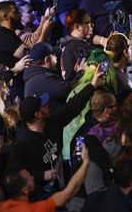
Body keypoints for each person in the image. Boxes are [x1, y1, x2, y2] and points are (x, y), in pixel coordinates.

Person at [7, 68, 102, 200]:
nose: (48, 106)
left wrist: (92, 85)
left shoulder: (52, 122)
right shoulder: (22, 143)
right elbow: (13, 176)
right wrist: (41, 175)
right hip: (38, 199)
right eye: (43, 105)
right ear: (38, 114)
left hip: (59, 185)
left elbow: (72, 107)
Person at [0, 144, 91, 212]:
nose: (32, 177)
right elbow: (69, 192)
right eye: (30, 178)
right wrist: (85, 162)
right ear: (25, 189)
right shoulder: (33, 210)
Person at [59, 9, 94, 81]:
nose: (92, 25)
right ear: (77, 27)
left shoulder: (69, 44)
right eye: (88, 23)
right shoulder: (79, 47)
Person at [0, 1, 29, 67]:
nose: (20, 15)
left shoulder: (6, 33)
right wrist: (45, 31)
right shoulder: (5, 37)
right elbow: (33, 56)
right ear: (5, 17)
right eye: (15, 12)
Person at [105, 33, 132, 100]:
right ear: (125, 52)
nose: (131, 52)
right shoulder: (124, 83)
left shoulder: (103, 71)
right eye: (130, 49)